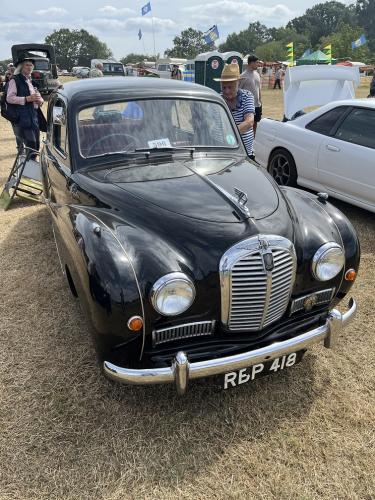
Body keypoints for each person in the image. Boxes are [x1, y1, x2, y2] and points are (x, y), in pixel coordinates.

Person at [214, 64, 255, 158]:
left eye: (230, 87)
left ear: (238, 83)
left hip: (245, 153)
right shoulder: (218, 100)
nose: (227, 91)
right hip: (225, 153)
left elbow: (249, 122)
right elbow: (216, 127)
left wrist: (230, 134)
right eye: (224, 87)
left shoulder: (247, 96)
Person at [6, 57, 44, 157]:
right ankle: (28, 169)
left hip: (34, 117)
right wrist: (26, 99)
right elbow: (9, 98)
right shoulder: (15, 80)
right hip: (22, 119)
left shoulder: (30, 81)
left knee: (36, 146)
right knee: (31, 148)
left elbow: (37, 96)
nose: (29, 67)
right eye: (27, 64)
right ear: (21, 67)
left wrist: (40, 100)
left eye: (31, 65)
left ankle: (31, 167)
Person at [239, 54, 262, 136]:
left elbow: (259, 88)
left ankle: (252, 142)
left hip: (257, 105)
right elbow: (238, 91)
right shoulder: (243, 76)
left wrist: (260, 101)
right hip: (247, 106)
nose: (258, 64)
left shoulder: (257, 74)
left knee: (255, 123)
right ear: (251, 63)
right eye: (256, 62)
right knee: (247, 125)